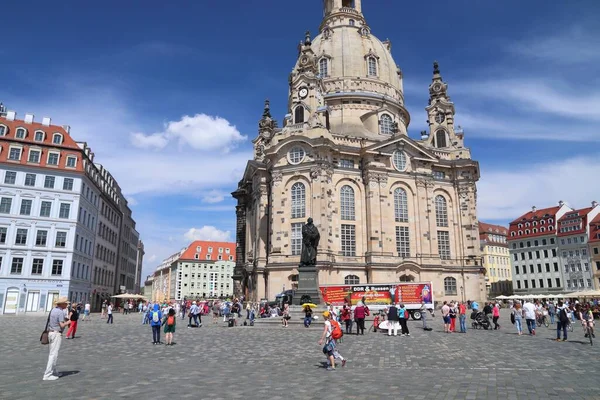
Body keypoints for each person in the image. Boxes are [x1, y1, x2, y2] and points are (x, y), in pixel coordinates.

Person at [43, 296, 71, 381]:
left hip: (50, 333)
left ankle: (54, 371)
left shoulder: (53, 310)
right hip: (56, 334)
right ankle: (47, 374)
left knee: (53, 353)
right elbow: (62, 325)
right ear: (62, 304)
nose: (67, 305)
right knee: (53, 355)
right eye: (66, 303)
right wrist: (68, 322)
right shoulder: (60, 312)